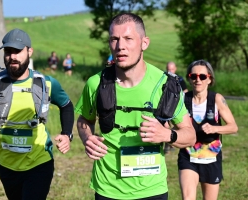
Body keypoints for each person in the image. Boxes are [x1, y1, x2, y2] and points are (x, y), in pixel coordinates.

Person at [75, 13, 196, 200]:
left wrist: (166, 135)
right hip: (108, 189)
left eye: (128, 39)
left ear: (144, 43)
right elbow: (84, 119)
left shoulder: (166, 86)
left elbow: (190, 135)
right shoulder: (96, 84)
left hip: (151, 190)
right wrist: (87, 137)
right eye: (114, 39)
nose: (120, 46)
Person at [0, 28, 74, 200]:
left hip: (39, 162)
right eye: (8, 52)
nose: (12, 56)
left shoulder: (47, 83)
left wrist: (67, 134)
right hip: (7, 165)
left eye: (18, 51)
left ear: (29, 51)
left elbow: (66, 105)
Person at [178, 59, 238, 200]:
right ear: (189, 78)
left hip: (211, 158)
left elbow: (233, 127)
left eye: (202, 76)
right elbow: (170, 124)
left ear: (209, 79)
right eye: (193, 76)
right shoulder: (183, 99)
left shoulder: (216, 99)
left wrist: (214, 128)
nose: (198, 80)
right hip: (188, 156)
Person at [164, 61, 188, 154]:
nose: (170, 71)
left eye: (172, 69)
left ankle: (172, 142)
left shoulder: (180, 79)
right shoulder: (163, 77)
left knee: (177, 125)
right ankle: (167, 144)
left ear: (175, 69)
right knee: (166, 124)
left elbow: (185, 91)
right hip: (166, 105)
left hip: (177, 105)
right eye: (168, 69)